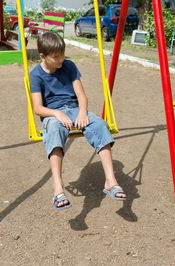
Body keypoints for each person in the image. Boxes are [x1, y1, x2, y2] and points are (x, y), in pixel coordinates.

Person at [30, 32, 126, 211]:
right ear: (43, 56)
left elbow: (81, 95)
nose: (61, 60)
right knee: (54, 130)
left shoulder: (69, 66)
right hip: (53, 113)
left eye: (63, 55)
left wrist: (82, 113)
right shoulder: (36, 75)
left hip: (74, 109)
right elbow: (37, 108)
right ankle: (58, 188)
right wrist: (56, 114)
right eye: (56, 57)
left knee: (98, 123)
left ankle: (110, 181)